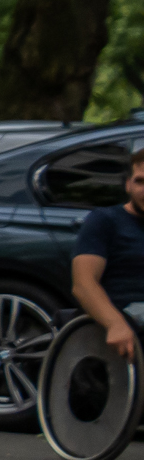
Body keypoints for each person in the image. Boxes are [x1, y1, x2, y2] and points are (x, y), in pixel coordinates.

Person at [70, 144, 144, 360]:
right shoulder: (105, 221)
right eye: (140, 181)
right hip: (127, 317)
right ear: (128, 185)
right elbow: (83, 285)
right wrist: (115, 323)